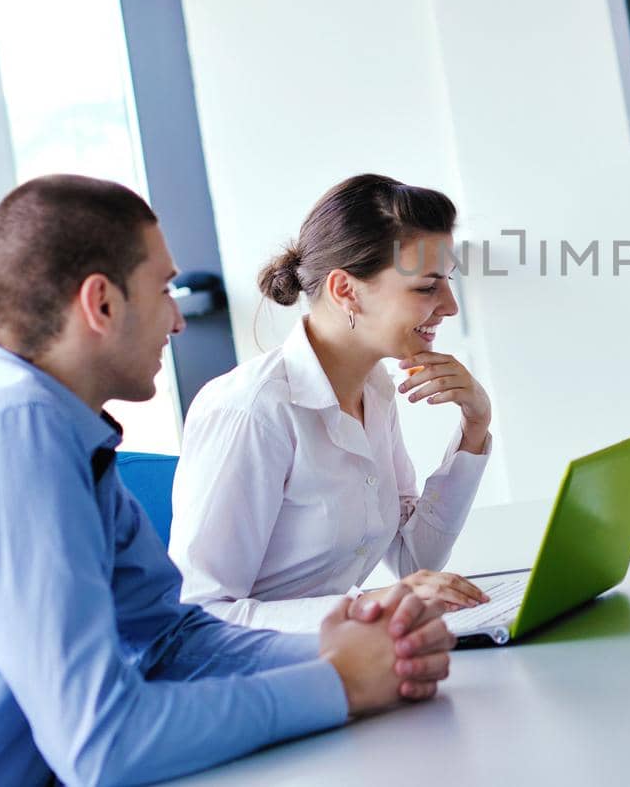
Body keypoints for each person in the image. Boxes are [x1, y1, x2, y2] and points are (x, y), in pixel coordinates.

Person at [0, 175, 454, 786]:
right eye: (164, 291)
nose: (178, 322)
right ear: (101, 303)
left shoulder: (62, 431)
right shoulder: (13, 437)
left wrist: (350, 647)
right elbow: (102, 743)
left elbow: (171, 640)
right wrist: (338, 684)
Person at [170, 174, 493, 632]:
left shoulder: (375, 389)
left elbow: (413, 560)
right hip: (266, 679)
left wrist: (474, 426)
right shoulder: (252, 411)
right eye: (427, 286)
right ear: (346, 291)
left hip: (343, 660)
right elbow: (202, 613)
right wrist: (371, 605)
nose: (449, 306)